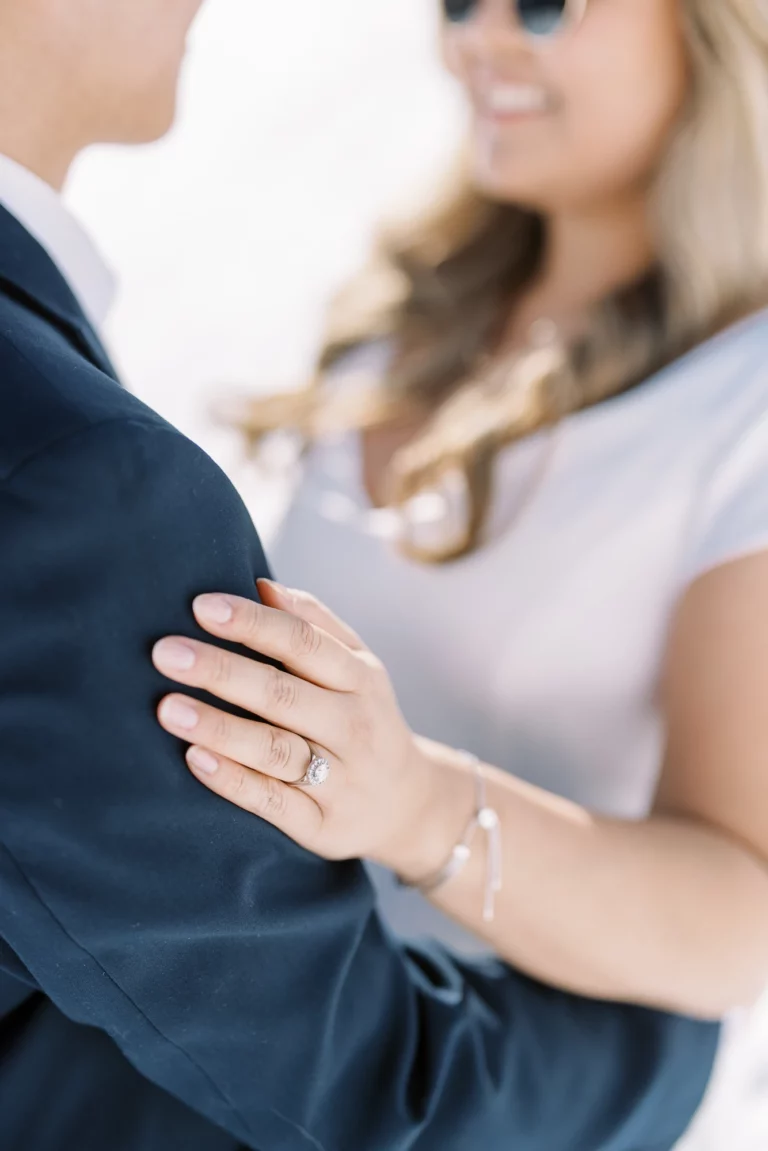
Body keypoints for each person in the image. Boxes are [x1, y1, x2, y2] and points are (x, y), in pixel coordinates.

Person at [0, 0, 717, 1148]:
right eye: (458, 1)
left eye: (545, 2)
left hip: (470, 1049)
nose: (479, 36)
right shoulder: (400, 328)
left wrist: (416, 802)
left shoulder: (742, 409)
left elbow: (746, 899)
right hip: (285, 1054)